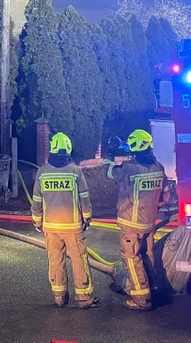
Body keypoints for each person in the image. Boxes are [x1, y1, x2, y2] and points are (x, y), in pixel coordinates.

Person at [31, 132, 98, 309]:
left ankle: (59, 297)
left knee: (55, 260)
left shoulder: (42, 171)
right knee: (79, 260)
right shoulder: (74, 171)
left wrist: (37, 221)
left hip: (51, 227)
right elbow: (84, 196)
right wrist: (87, 217)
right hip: (73, 225)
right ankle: (84, 299)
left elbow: (36, 199)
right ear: (68, 148)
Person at [103, 129, 166, 310]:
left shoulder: (129, 168)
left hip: (131, 223)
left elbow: (107, 172)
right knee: (147, 255)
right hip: (148, 222)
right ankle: (152, 288)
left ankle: (141, 298)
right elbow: (163, 195)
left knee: (131, 258)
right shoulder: (158, 167)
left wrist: (110, 151)